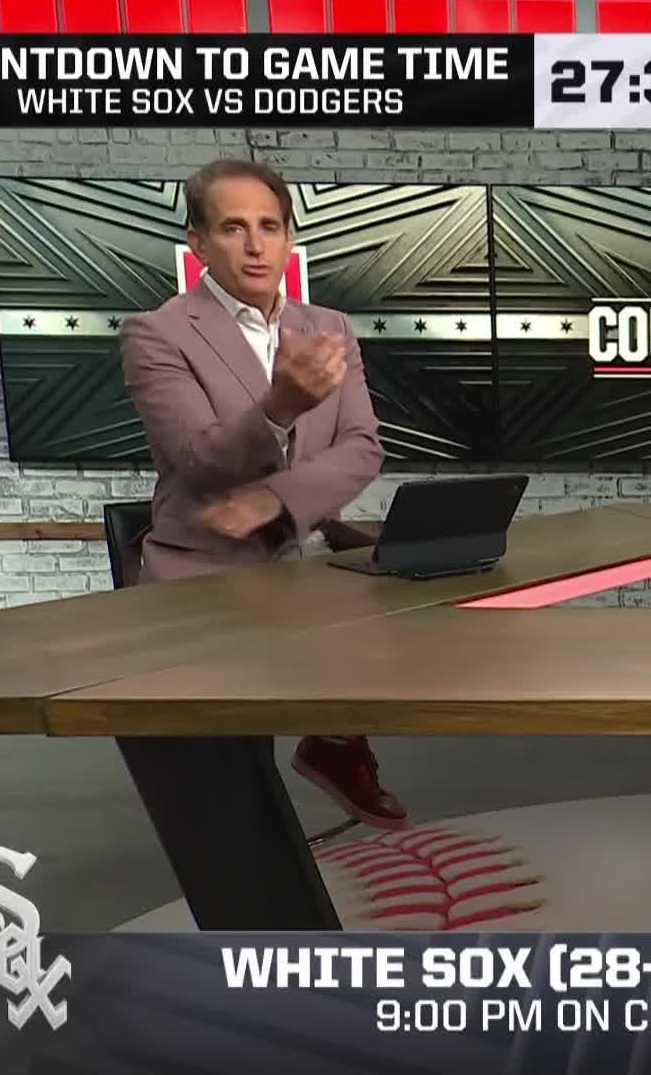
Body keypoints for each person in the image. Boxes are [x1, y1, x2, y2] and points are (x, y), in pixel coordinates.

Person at [119, 158, 407, 831]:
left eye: (269, 227)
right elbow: (200, 460)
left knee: (409, 626)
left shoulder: (330, 328)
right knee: (231, 795)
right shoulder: (156, 334)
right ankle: (309, 758)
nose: (255, 246)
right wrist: (278, 408)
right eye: (233, 228)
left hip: (305, 558)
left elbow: (362, 447)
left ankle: (334, 739)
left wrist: (275, 499)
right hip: (206, 571)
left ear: (288, 238)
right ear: (198, 243)